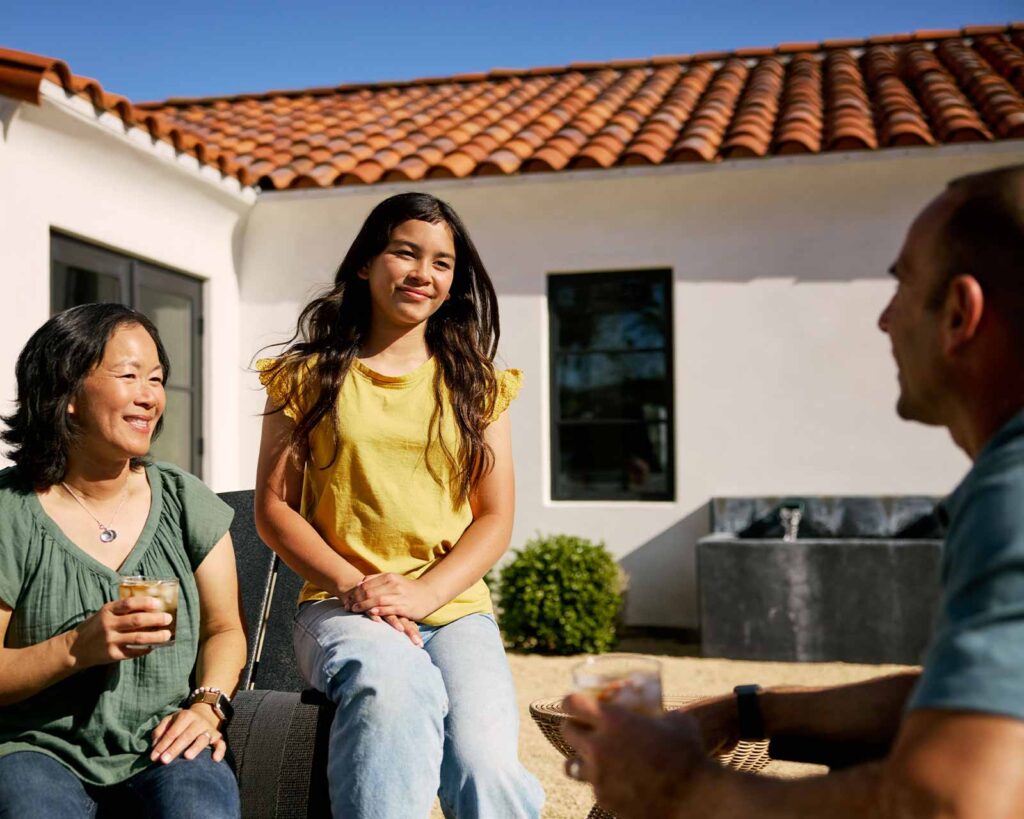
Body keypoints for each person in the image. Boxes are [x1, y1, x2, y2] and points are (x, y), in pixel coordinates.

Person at [563, 164, 1024, 818]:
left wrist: (680, 789)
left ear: (958, 315)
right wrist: (749, 709)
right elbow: (968, 698)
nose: (884, 321)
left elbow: (951, 801)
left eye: (902, 286)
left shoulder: (1013, 490)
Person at [254, 192, 544, 818]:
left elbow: (494, 517)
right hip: (338, 605)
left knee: (484, 763)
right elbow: (275, 509)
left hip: (455, 610)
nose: (423, 273)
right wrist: (356, 585)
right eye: (405, 252)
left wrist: (423, 595)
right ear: (365, 263)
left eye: (442, 263)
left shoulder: (479, 386)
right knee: (393, 686)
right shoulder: (305, 378)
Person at [0, 304, 246, 817]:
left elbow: (224, 629)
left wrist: (206, 705)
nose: (149, 396)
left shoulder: (183, 500)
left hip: (165, 740)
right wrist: (76, 647)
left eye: (155, 379)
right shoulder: (11, 511)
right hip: (36, 748)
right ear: (66, 392)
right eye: (129, 375)